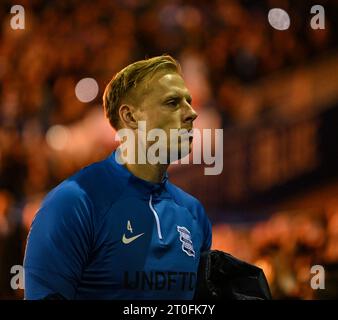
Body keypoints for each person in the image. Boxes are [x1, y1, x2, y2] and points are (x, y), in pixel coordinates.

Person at [23, 55, 212, 300]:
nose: (192, 113)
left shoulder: (194, 213)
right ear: (130, 117)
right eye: (173, 102)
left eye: (189, 101)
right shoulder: (73, 204)